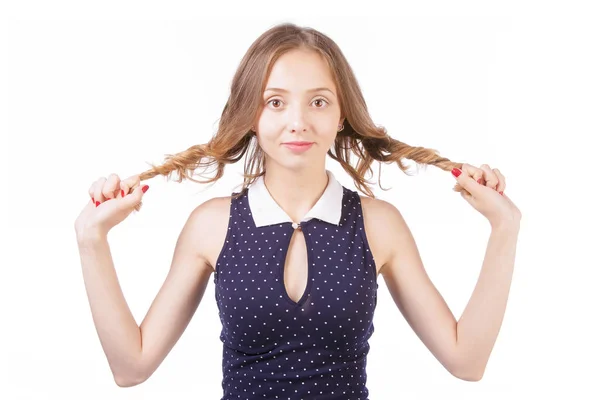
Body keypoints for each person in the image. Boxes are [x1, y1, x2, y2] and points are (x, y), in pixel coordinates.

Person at [74, 22, 521, 399]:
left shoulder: (378, 225)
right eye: (275, 101)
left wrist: (505, 227)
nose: (298, 121)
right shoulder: (211, 226)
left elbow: (467, 361)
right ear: (252, 114)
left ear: (341, 114)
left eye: (319, 101)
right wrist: (91, 240)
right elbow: (131, 367)